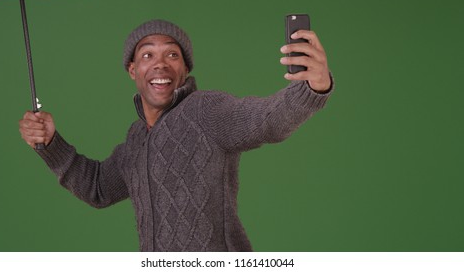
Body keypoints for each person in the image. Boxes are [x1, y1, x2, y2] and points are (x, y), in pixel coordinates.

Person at [19, 19, 333, 251]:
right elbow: (98, 188)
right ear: (132, 70)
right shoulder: (136, 140)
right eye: (147, 56)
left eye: (172, 56)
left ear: (184, 70)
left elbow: (265, 120)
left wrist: (311, 87)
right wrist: (50, 143)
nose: (160, 65)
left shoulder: (205, 110)